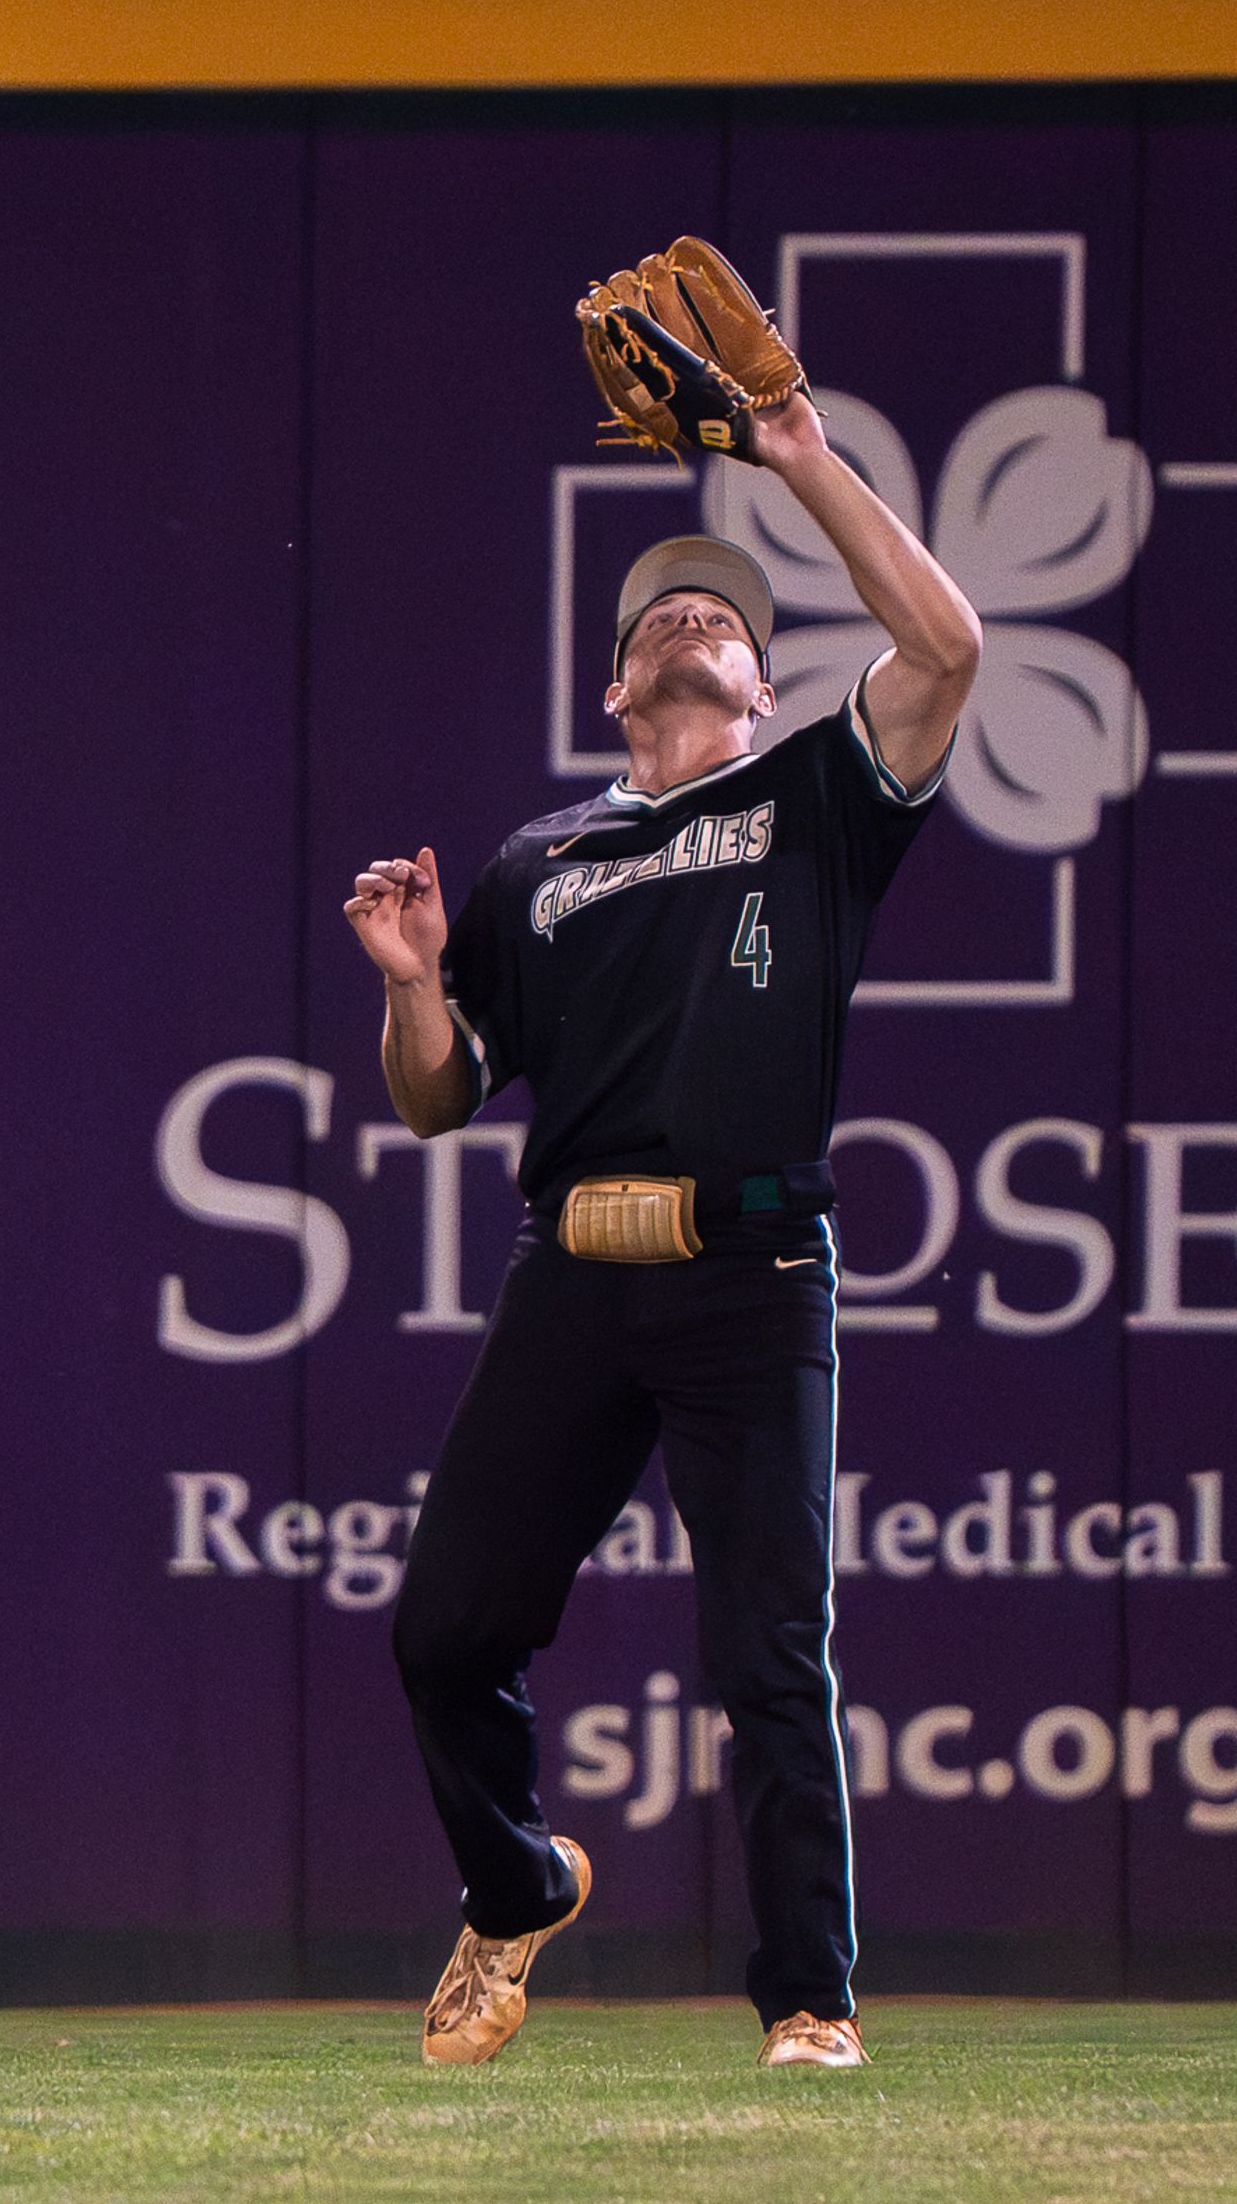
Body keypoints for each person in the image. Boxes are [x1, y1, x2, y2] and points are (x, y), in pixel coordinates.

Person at [341, 346, 980, 2073]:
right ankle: (521, 1876)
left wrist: (796, 454)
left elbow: (947, 651)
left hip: (755, 1263)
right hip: (579, 1273)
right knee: (442, 1631)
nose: (689, 620)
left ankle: (809, 2007)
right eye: (656, 618)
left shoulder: (814, 806)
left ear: (767, 690)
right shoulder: (538, 867)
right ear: (617, 690)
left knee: (771, 1650)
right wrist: (412, 986)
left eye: (722, 618)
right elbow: (437, 1099)